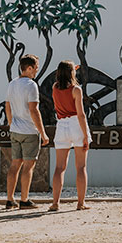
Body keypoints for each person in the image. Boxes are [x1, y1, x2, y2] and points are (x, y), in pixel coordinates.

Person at [4, 54, 49, 209]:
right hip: (29, 131)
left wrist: (11, 124)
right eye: (35, 67)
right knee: (28, 166)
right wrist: (42, 133)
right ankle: (24, 199)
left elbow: (7, 106)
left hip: (15, 130)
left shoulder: (12, 84)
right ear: (29, 68)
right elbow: (34, 110)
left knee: (14, 164)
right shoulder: (31, 85)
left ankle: (10, 199)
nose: (36, 70)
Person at [48, 60, 92, 211]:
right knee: (81, 167)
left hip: (61, 125)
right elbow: (81, 115)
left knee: (59, 167)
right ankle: (80, 203)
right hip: (75, 125)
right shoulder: (76, 90)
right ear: (72, 72)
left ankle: (55, 203)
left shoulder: (54, 88)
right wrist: (86, 135)